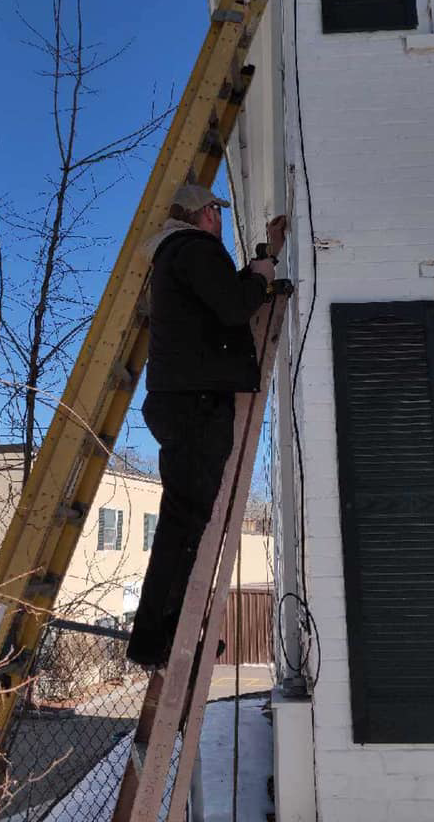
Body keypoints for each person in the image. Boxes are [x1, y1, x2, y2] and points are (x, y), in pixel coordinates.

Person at [126, 184, 286, 667]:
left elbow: (221, 299)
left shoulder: (175, 258)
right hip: (195, 404)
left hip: (179, 401)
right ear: (205, 214)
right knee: (187, 526)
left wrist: (265, 260)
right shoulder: (195, 250)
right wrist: (260, 278)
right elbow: (234, 306)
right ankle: (162, 639)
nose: (218, 220)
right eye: (216, 211)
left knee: (183, 523)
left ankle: (161, 635)